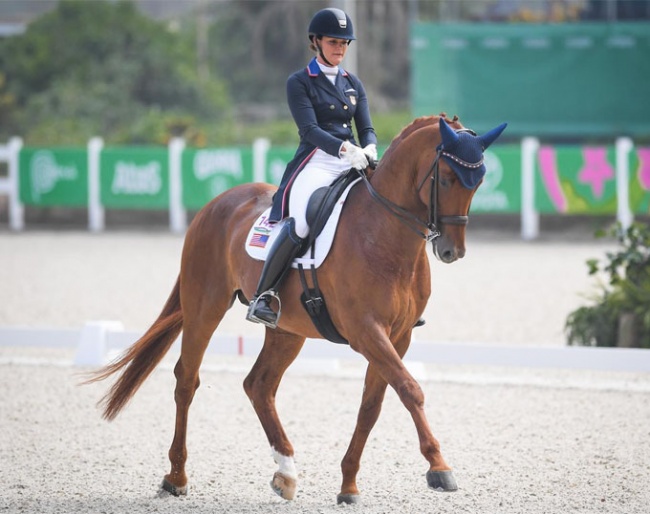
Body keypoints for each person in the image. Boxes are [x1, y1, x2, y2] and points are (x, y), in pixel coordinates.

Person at [246, 7, 377, 327]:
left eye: (345, 43)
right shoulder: (300, 82)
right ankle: (266, 295)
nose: (340, 49)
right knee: (303, 218)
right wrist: (345, 148)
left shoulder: (353, 83)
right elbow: (310, 131)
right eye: (334, 41)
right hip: (317, 161)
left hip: (354, 160)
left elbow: (366, 127)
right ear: (316, 41)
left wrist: (371, 145)